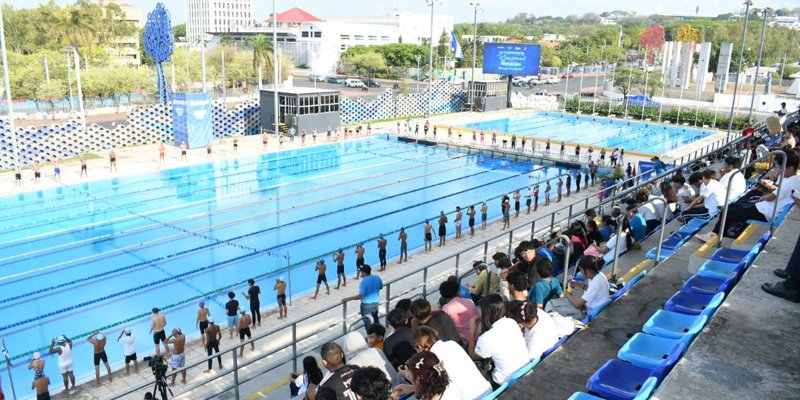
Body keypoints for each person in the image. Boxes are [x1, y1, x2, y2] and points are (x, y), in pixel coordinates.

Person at [702, 150, 800, 241]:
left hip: (764, 212)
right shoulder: (791, 179)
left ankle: (714, 235)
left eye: (781, 168)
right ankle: (723, 233)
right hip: (763, 208)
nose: (779, 171)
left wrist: (760, 199)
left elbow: (771, 198)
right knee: (733, 206)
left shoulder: (791, 181)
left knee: (727, 211)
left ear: (790, 168)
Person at [410, 326, 492, 399]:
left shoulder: (432, 360)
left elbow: (436, 389)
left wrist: (410, 376)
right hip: (486, 390)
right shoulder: (451, 343)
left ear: (420, 347)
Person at [468, 294, 529, 388]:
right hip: (524, 370)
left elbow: (472, 356)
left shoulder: (486, 338)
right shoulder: (511, 322)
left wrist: (472, 331)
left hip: (505, 382)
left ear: (485, 314)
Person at [437, 279, 480, 345]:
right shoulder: (469, 301)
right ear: (457, 291)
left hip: (465, 341)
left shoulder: (446, 308)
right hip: (479, 334)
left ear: (443, 295)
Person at [343, 265, 383, 330]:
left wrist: (348, 298)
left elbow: (361, 295)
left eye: (361, 272)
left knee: (368, 325)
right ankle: (379, 336)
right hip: (375, 304)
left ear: (364, 272)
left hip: (366, 306)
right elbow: (381, 287)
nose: (360, 273)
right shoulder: (377, 278)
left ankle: (372, 338)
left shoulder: (364, 282)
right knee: (376, 321)